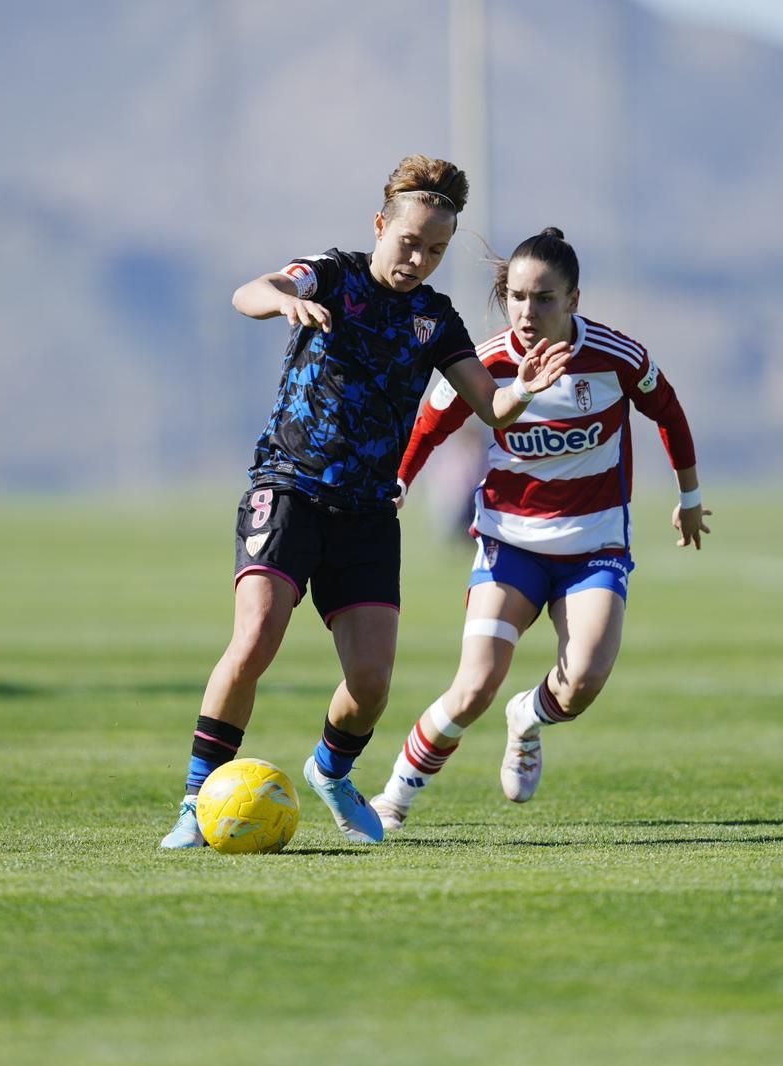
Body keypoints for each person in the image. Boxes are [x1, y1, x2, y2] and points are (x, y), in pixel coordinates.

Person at [160, 156, 573, 848]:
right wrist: (282, 300)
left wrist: (523, 388)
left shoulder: (433, 318)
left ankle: (330, 770)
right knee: (256, 638)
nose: (419, 259)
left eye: (436, 250)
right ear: (381, 226)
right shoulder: (334, 273)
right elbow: (249, 291)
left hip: (367, 513)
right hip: (289, 488)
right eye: (409, 241)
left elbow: (491, 407)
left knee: (373, 683)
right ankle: (196, 799)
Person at [367, 227, 711, 830]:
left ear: (574, 300)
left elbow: (670, 410)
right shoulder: (488, 362)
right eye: (518, 296)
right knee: (474, 687)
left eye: (544, 298)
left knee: (582, 683)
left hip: (594, 549)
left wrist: (689, 497)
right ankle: (394, 796)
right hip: (510, 544)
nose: (527, 311)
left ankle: (528, 715)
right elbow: (427, 426)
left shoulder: (616, 358)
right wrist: (397, 486)